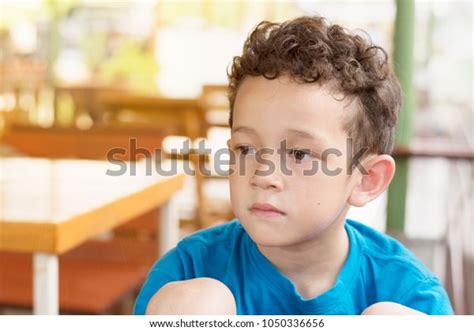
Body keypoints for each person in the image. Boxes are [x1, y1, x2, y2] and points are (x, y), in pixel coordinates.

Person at [134, 15, 453, 315]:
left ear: (366, 179)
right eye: (246, 149)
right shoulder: (186, 272)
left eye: (300, 155)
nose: (262, 175)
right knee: (197, 304)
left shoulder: (410, 295)